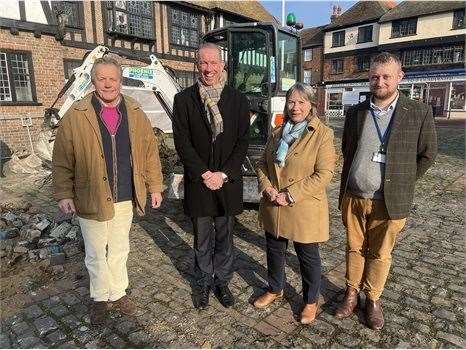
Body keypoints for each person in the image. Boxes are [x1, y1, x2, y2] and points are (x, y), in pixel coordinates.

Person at [52, 57, 163, 325]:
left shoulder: (135, 112)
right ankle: (100, 297)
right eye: (101, 79)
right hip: (90, 196)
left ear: (120, 81)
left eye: (112, 78)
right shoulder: (77, 115)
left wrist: (155, 186)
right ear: (93, 82)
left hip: (125, 193)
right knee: (94, 251)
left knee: (119, 248)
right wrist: (64, 193)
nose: (107, 84)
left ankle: (118, 292)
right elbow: (62, 158)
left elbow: (150, 153)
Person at [335, 52, 437, 330]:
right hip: (354, 196)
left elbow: (428, 154)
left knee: (380, 253)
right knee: (354, 248)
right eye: (374, 77)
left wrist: (402, 180)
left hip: (390, 201)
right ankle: (351, 293)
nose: (379, 82)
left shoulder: (418, 112)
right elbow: (348, 150)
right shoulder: (356, 113)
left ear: (399, 77)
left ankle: (374, 299)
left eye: (386, 76)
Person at [172, 43, 250, 309]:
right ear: (197, 65)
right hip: (200, 181)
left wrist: (224, 174)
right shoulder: (183, 100)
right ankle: (204, 280)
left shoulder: (238, 99)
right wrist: (205, 173)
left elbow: (242, 142)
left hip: (226, 182)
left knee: (225, 236)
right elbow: (182, 143)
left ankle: (223, 281)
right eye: (203, 63)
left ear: (222, 64)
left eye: (213, 63)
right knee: (201, 237)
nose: (208, 69)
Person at [254, 83, 336, 324]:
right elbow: (261, 164)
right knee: (274, 250)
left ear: (311, 104)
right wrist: (267, 186)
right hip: (273, 204)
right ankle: (275, 288)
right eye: (291, 102)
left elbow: (325, 174)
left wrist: (289, 194)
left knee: (307, 257)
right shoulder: (278, 132)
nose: (295, 107)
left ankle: (310, 301)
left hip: (302, 206)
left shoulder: (322, 134)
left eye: (301, 102)